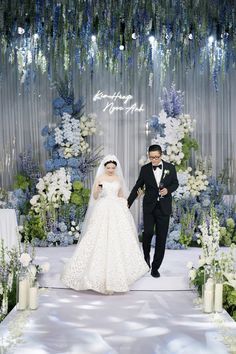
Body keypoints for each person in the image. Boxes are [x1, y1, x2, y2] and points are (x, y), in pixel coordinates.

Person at [61, 154, 149, 294]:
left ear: (115, 167)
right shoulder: (100, 179)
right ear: (104, 167)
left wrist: (127, 202)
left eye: (113, 167)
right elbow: (95, 197)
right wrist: (98, 190)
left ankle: (118, 274)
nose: (111, 170)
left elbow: (121, 196)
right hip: (103, 207)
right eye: (108, 167)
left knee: (118, 237)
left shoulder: (118, 179)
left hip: (116, 209)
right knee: (97, 236)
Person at [127, 145, 179, 278]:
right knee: (148, 233)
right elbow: (137, 186)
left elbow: (175, 183)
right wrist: (128, 203)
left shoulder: (170, 168)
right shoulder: (145, 169)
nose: (154, 160)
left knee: (161, 239)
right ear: (149, 156)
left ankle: (155, 267)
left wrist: (168, 190)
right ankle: (146, 260)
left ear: (161, 155)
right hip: (149, 207)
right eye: (151, 157)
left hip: (164, 208)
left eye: (156, 157)